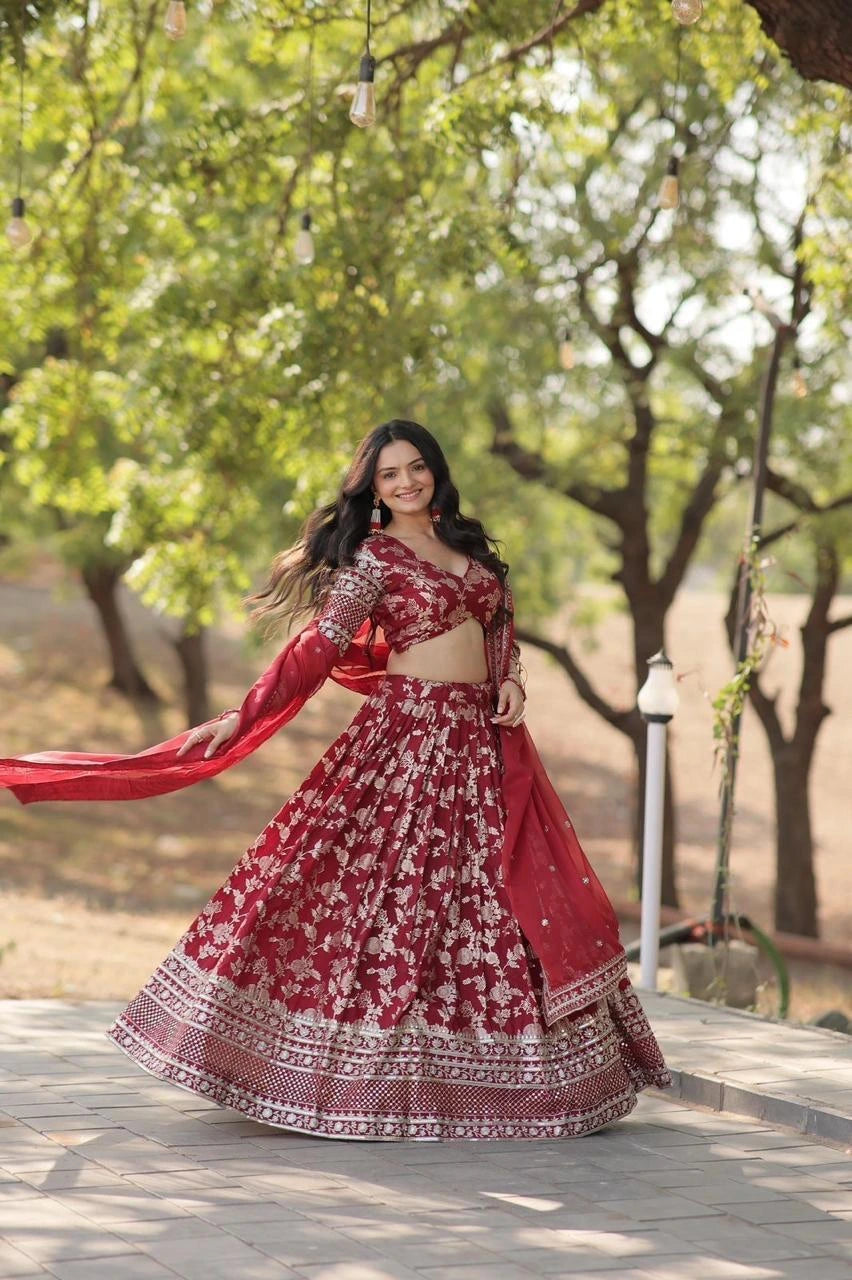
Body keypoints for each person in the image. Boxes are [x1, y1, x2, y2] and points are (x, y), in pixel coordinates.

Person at [0, 420, 672, 1140]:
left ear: (436, 471)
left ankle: (518, 1079)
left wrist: (509, 679)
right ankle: (339, 1074)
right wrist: (246, 712)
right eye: (390, 475)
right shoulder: (375, 560)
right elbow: (317, 648)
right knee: (376, 899)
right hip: (405, 743)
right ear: (373, 490)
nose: (407, 482)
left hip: (482, 749)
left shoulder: (471, 549)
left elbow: (500, 623)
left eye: (416, 467)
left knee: (493, 904)